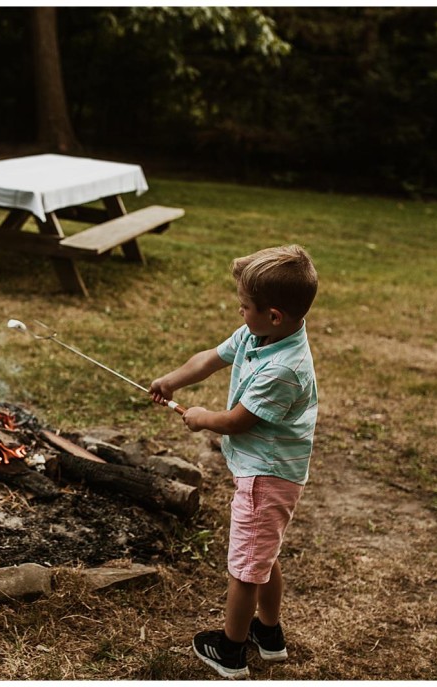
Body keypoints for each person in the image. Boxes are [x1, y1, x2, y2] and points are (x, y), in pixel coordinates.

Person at [150, 244, 319, 679]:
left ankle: (230, 650)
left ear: (274, 314)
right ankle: (269, 633)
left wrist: (203, 418)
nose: (240, 313)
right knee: (263, 555)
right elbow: (210, 358)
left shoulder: (285, 367)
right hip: (263, 471)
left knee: (245, 567)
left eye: (244, 307)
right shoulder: (258, 333)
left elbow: (240, 421)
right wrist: (172, 380)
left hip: (269, 475)